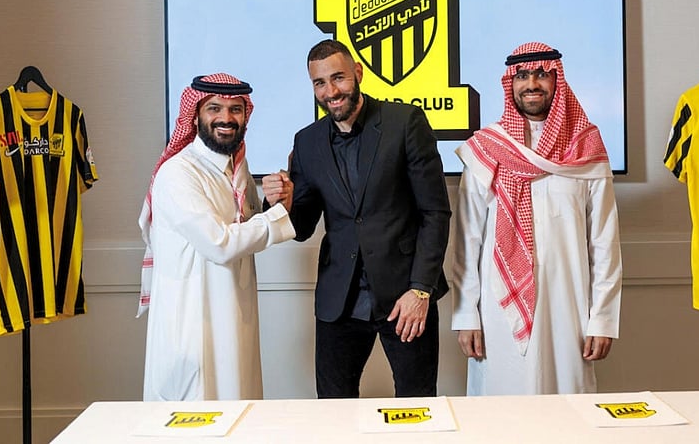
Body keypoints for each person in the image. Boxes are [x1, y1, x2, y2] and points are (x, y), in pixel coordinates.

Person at [262, 39, 451, 398]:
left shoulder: (405, 122)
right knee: (333, 413)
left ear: (358, 74)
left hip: (405, 297)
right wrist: (282, 203)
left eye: (338, 78)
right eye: (320, 83)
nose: (331, 91)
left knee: (417, 408)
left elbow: (435, 212)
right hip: (339, 302)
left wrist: (421, 289)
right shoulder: (307, 142)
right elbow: (302, 228)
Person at [451, 42, 622, 395]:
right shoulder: (487, 149)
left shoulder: (587, 147)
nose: (532, 83)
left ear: (556, 79)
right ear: (510, 82)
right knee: (501, 409)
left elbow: (604, 241)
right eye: (523, 75)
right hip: (498, 312)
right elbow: (467, 240)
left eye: (542, 74)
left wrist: (602, 318)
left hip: (569, 309)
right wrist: (466, 313)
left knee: (569, 415)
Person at [138, 73, 295, 401]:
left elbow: (246, 224)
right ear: (195, 115)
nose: (226, 118)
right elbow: (220, 244)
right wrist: (278, 218)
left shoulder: (235, 168)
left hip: (235, 323)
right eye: (214, 108)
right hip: (193, 329)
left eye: (236, 110)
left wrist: (274, 201)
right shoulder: (179, 173)